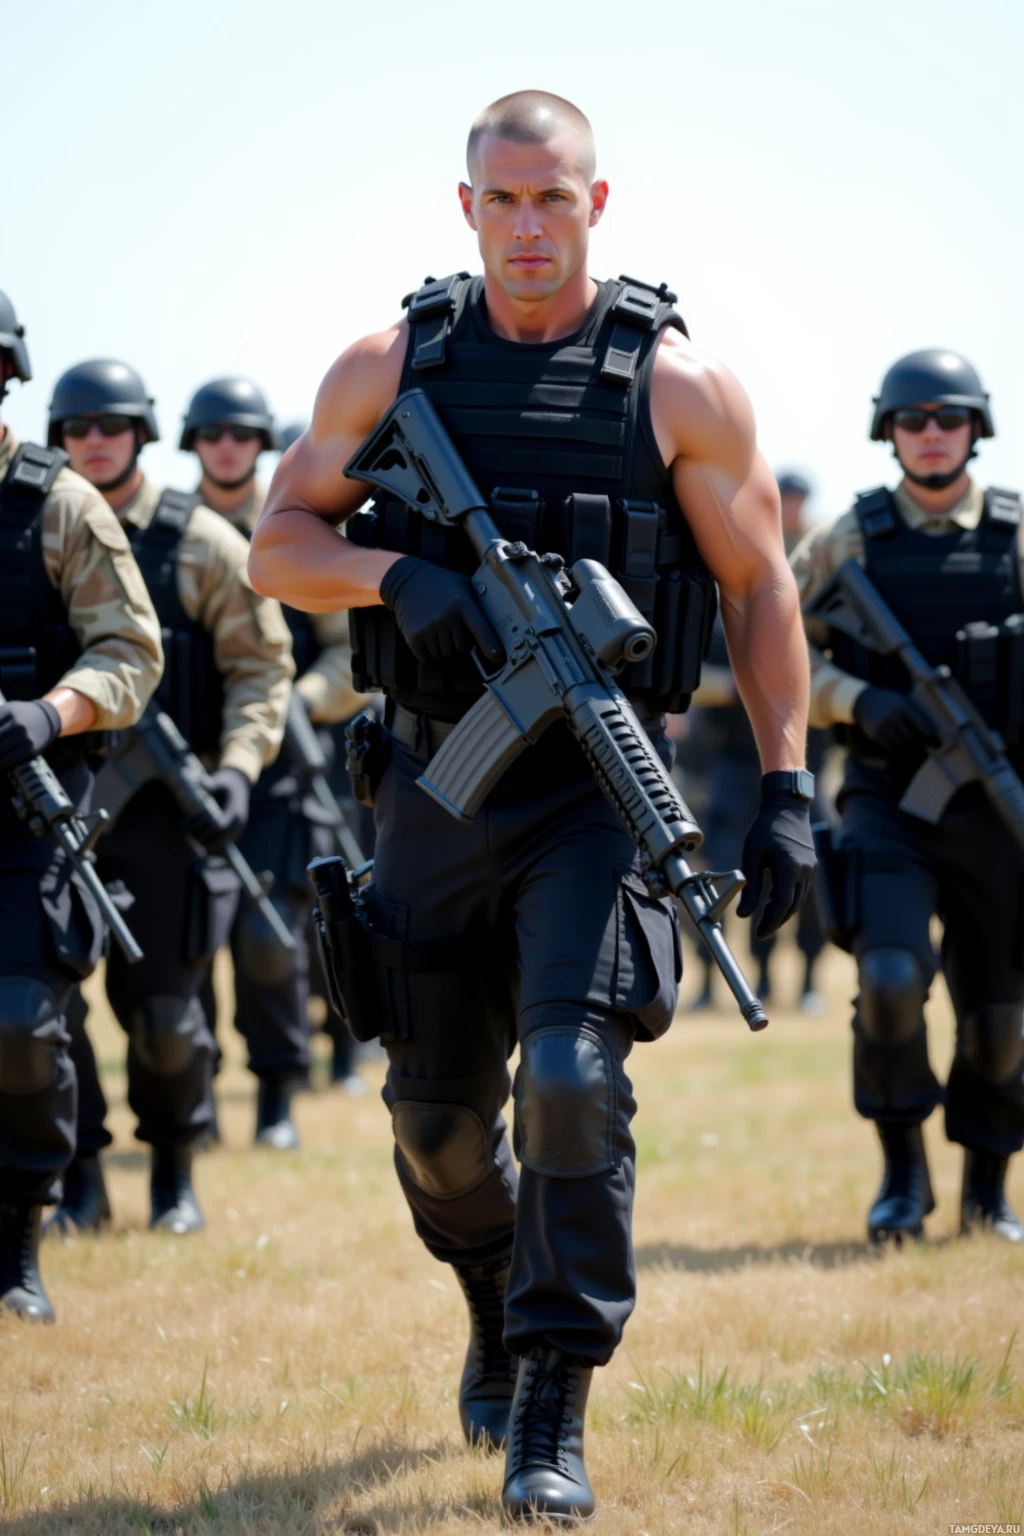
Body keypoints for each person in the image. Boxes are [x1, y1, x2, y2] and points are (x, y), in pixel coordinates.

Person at [248, 91, 815, 1522]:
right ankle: (496, 1294)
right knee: (436, 1125)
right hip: (438, 783)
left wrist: (791, 785)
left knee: (570, 1078)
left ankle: (552, 1391)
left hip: (596, 796)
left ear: (598, 205)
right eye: (501, 202)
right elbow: (277, 545)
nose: (528, 229)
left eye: (552, 200)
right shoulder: (390, 366)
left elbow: (757, 591)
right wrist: (402, 580)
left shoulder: (676, 385)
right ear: (466, 210)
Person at [45, 359, 293, 1234]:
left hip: (168, 826)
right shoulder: (42, 525)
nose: (96, 441)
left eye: (113, 425)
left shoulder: (204, 544)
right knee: (49, 1019)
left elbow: (261, 673)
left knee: (165, 1021)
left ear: (144, 432)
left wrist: (235, 770)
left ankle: (172, 1177)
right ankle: (77, 1180)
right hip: (57, 812)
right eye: (79, 429)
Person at [792, 348, 1024, 1245]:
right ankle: (902, 1175)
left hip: (999, 806)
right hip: (890, 799)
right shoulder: (846, 539)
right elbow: (772, 647)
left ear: (978, 428)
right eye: (913, 420)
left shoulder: (1012, 533)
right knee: (890, 981)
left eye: (949, 418)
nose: (932, 435)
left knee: (1001, 1022)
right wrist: (856, 699)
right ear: (887, 430)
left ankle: (988, 1190)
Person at [0, 293, 163, 1319]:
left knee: (20, 1022)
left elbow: (132, 654)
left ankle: (19, 1239)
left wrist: (48, 716)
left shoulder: (56, 504)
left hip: (25, 805)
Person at [181, 378, 370, 1134]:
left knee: (271, 941)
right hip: (185, 772)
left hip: (284, 771)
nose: (227, 446)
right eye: (212, 433)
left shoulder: (296, 527)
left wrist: (306, 701)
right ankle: (194, 1097)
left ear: (262, 446)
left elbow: (349, 653)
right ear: (192, 443)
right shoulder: (168, 530)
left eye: (242, 434)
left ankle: (276, 1094)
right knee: (187, 940)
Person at [690, 470, 829, 1010]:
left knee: (806, 873)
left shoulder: (814, 581)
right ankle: (709, 982)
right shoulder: (712, 579)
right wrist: (729, 686)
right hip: (728, 761)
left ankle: (805, 981)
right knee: (716, 872)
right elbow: (679, 668)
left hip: (797, 761)